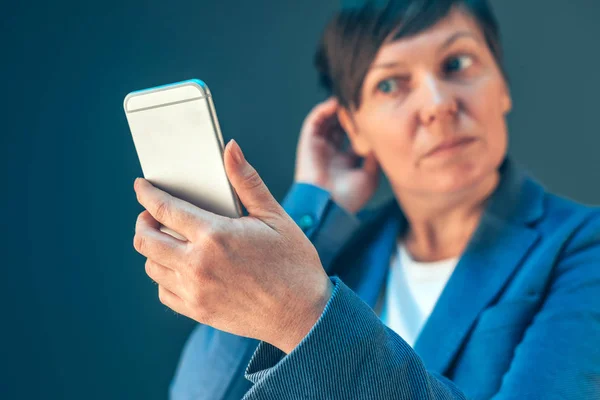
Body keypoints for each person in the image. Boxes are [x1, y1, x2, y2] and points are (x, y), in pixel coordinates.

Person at [132, 1, 600, 398]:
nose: (438, 103)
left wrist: (303, 317)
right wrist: (310, 206)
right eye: (391, 84)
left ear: (502, 85)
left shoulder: (583, 248)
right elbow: (200, 392)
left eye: (457, 64)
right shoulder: (338, 249)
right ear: (353, 128)